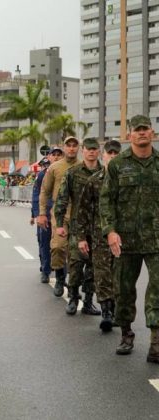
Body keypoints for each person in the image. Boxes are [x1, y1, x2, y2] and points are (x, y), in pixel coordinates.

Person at [100, 115, 159, 363]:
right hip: (126, 240)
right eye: (138, 130)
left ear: (153, 133)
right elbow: (106, 200)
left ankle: (156, 341)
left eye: (146, 129)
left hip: (156, 239)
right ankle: (126, 333)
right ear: (130, 135)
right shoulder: (117, 165)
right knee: (124, 289)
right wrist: (110, 231)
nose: (142, 133)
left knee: (158, 288)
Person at [54, 138, 102, 316]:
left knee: (93, 267)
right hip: (77, 226)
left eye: (94, 149)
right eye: (88, 149)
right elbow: (62, 198)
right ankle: (73, 298)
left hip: (98, 227)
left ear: (98, 151)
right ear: (83, 151)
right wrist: (59, 224)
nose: (91, 152)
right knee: (75, 264)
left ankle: (88, 301)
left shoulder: (105, 172)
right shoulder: (73, 173)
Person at [76, 140, 121, 332]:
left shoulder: (127, 180)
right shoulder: (94, 181)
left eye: (116, 153)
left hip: (124, 237)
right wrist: (81, 237)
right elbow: (83, 211)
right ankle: (107, 311)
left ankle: (119, 309)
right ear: (104, 155)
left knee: (120, 276)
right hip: (99, 237)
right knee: (102, 275)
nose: (112, 156)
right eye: (109, 153)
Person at [38, 137, 80, 297]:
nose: (71, 148)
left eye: (74, 145)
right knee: (57, 246)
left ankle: (74, 284)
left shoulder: (83, 166)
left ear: (78, 148)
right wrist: (41, 213)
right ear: (64, 147)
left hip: (79, 211)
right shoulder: (54, 168)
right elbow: (45, 191)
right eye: (68, 145)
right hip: (59, 211)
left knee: (76, 251)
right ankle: (60, 278)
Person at [31, 157, 52, 283]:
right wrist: (36, 214)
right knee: (44, 243)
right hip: (45, 215)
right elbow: (35, 196)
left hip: (60, 216)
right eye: (53, 155)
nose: (56, 157)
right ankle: (45, 270)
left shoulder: (65, 172)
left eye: (58, 155)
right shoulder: (41, 176)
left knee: (61, 246)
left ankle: (62, 274)